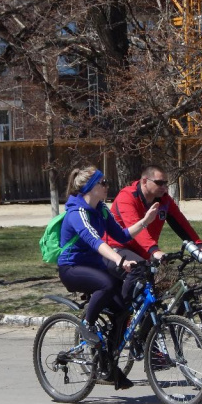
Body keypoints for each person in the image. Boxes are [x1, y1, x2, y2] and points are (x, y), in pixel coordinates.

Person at [57, 166, 159, 389]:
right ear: (91, 188)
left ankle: (108, 367)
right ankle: (87, 323)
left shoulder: (101, 210)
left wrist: (145, 221)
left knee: (122, 309)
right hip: (72, 268)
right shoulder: (77, 213)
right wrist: (120, 261)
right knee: (108, 283)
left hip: (92, 266)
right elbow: (95, 241)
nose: (107, 186)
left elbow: (120, 235)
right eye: (103, 183)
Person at [105, 165, 202, 293]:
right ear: (144, 181)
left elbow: (181, 223)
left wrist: (198, 246)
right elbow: (135, 227)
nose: (164, 187)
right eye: (159, 183)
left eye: (165, 183)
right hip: (116, 248)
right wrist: (154, 250)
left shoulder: (164, 200)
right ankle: (126, 310)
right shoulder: (127, 197)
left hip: (143, 251)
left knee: (164, 283)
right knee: (141, 273)